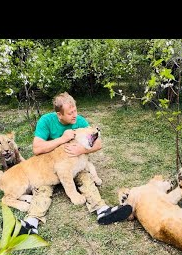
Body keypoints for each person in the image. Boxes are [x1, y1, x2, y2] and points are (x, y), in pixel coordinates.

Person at [19, 92, 132, 234]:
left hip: (74, 163)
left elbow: (98, 144)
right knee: (43, 189)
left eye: (75, 111)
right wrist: (62, 139)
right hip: (49, 166)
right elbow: (37, 149)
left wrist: (81, 150)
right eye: (70, 113)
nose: (74, 115)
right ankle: (31, 222)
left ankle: (102, 210)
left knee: (86, 178)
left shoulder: (80, 121)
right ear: (59, 115)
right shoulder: (46, 121)